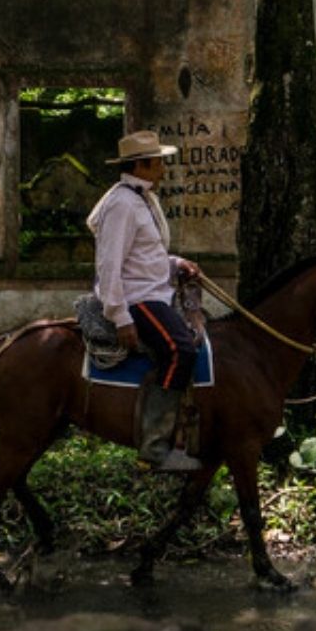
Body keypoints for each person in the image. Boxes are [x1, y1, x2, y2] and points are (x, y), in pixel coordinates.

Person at [87, 130, 204, 472]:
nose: (163, 169)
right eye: (158, 162)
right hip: (137, 299)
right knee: (181, 349)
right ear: (141, 164)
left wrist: (175, 263)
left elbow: (143, 255)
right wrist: (120, 315)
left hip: (153, 291)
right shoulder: (123, 204)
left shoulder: (141, 199)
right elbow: (110, 264)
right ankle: (154, 449)